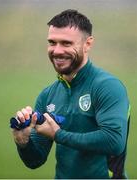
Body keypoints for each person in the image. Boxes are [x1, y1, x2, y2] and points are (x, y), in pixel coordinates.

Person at [11, 9, 130, 179]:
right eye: (52, 42)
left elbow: (114, 141)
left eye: (66, 43)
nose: (57, 51)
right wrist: (22, 142)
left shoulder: (107, 86)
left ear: (88, 44)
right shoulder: (48, 95)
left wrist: (59, 135)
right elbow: (35, 161)